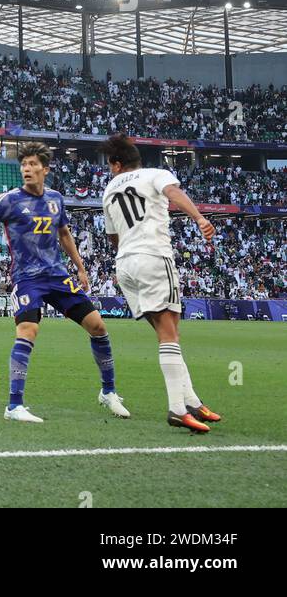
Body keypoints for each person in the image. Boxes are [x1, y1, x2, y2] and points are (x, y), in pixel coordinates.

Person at [0, 141, 130, 424]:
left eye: (32, 165)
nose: (26, 169)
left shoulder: (55, 199)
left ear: (45, 169)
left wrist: (80, 268)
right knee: (28, 330)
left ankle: (109, 391)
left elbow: (64, 234)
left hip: (57, 275)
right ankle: (14, 405)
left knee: (98, 326)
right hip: (27, 278)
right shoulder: (8, 200)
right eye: (23, 165)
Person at [100, 134, 222, 433]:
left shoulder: (108, 190)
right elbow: (172, 193)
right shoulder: (156, 174)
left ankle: (191, 401)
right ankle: (178, 409)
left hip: (125, 265)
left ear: (117, 165)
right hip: (154, 257)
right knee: (170, 334)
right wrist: (199, 218)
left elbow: (112, 236)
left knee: (168, 334)